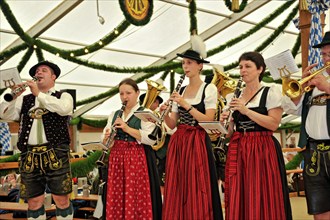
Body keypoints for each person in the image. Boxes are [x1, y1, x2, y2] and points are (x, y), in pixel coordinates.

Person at [220, 52, 292, 220]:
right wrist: (225, 121)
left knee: (263, 193)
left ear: (260, 69)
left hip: (262, 148)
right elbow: (229, 133)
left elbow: (273, 124)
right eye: (241, 67)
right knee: (240, 193)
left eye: (248, 66)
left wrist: (245, 110)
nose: (243, 71)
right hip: (239, 148)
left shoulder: (271, 91)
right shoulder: (233, 95)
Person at [0, 61, 74, 220]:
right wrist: (12, 98)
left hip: (56, 152)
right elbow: (4, 115)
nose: (39, 73)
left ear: (53, 77)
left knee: (61, 199)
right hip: (29, 155)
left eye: (44, 70)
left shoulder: (64, 95)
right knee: (33, 202)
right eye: (37, 71)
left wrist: (38, 95)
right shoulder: (23, 99)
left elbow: (64, 109)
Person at [161, 49, 223, 220]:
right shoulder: (180, 90)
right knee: (178, 184)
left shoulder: (208, 88)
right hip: (179, 141)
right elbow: (172, 124)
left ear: (200, 66)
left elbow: (208, 120)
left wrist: (185, 105)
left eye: (189, 63)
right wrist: (163, 113)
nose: (185, 66)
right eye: (183, 63)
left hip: (197, 140)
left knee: (197, 184)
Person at [282, 31, 330, 219]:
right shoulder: (315, 81)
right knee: (319, 211)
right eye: (324, 54)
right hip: (314, 152)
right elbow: (292, 109)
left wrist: (327, 88)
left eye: (329, 55)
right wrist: (300, 90)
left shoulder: (323, 82)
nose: (326, 59)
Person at [102, 78, 162, 220]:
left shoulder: (145, 113)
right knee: (117, 193)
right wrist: (107, 138)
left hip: (135, 158)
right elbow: (106, 143)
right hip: (117, 157)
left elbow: (150, 139)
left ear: (137, 93)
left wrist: (127, 128)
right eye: (121, 94)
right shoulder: (114, 114)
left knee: (134, 194)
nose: (124, 97)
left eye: (128, 93)